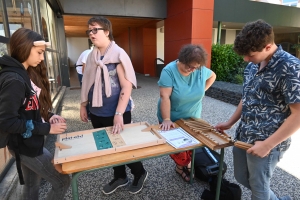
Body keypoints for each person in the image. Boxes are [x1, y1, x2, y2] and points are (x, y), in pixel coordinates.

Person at [215, 19, 300, 200]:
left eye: (250, 55)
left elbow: (298, 114)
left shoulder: (290, 67)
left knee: (259, 191)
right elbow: (246, 98)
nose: (246, 59)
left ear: (268, 47)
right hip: (243, 135)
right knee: (241, 177)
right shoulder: (252, 65)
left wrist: (268, 145)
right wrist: (230, 122)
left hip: (267, 142)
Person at [0, 28, 70, 200]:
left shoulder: (22, 73)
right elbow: (7, 122)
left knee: (31, 186)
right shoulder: (14, 79)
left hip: (27, 144)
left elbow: (29, 108)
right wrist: (47, 129)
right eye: (39, 52)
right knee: (62, 181)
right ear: (24, 48)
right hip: (25, 146)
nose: (42, 57)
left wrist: (48, 115)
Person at [80, 16, 147, 195]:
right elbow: (87, 82)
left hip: (117, 111)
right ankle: (120, 176)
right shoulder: (92, 56)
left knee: (123, 146)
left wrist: (118, 113)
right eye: (89, 31)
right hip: (96, 111)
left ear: (107, 32)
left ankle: (139, 172)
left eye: (95, 30)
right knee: (109, 147)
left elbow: (126, 87)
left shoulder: (118, 55)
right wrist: (83, 105)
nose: (91, 34)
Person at [157, 44, 216, 182]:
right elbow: (164, 96)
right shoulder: (169, 71)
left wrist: (202, 91)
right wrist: (166, 119)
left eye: (196, 67)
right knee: (179, 149)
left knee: (190, 145)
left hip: (193, 115)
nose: (192, 70)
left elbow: (213, 75)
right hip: (173, 116)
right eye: (189, 66)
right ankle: (184, 165)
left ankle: (180, 167)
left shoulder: (199, 69)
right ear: (181, 59)